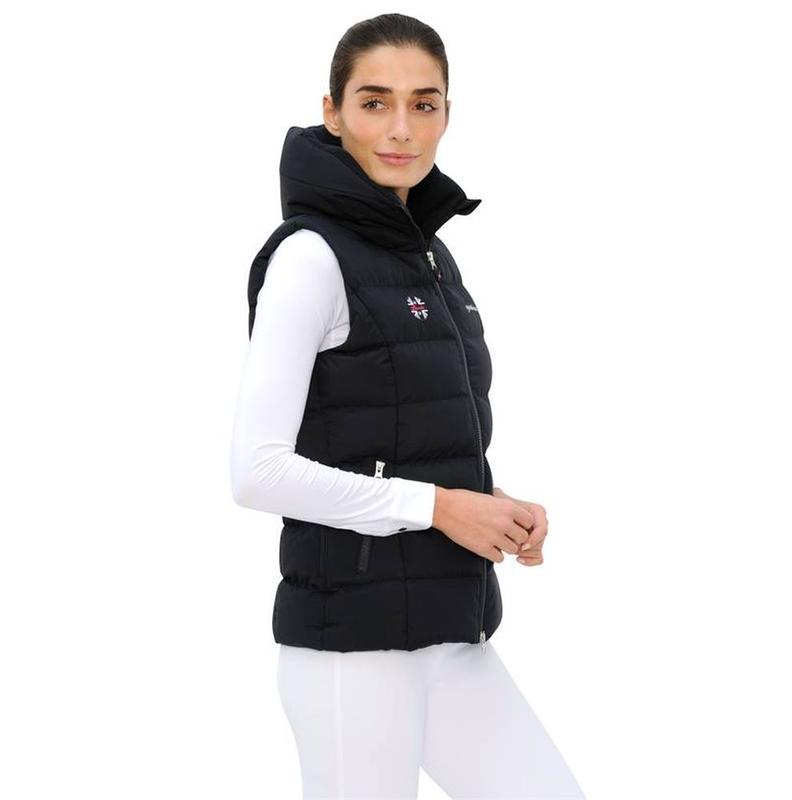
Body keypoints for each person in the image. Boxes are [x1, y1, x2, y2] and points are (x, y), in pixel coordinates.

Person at [231, 13, 586, 799]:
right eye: (374, 102)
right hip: (350, 655)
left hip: (450, 632)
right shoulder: (309, 257)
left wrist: (488, 504)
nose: (401, 128)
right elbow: (256, 473)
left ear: (447, 114)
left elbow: (394, 439)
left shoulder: (425, 253)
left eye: (423, 104)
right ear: (332, 112)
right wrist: (441, 507)